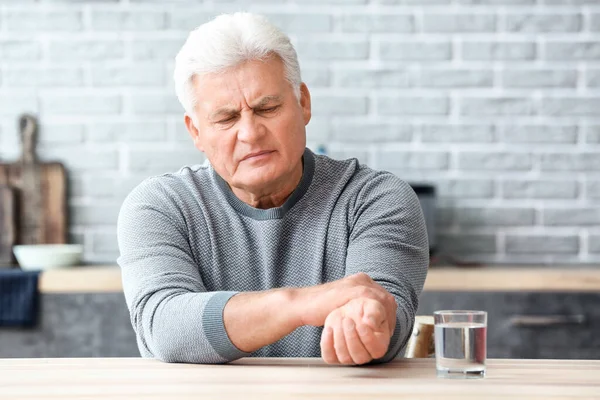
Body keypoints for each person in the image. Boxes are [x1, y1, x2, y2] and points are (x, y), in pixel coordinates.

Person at [117, 12, 429, 366]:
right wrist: (300, 304)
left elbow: (386, 325)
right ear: (196, 132)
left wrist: (370, 322)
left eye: (267, 108)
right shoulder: (160, 206)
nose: (250, 133)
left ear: (303, 103)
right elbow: (166, 329)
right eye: (226, 118)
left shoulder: (374, 199)